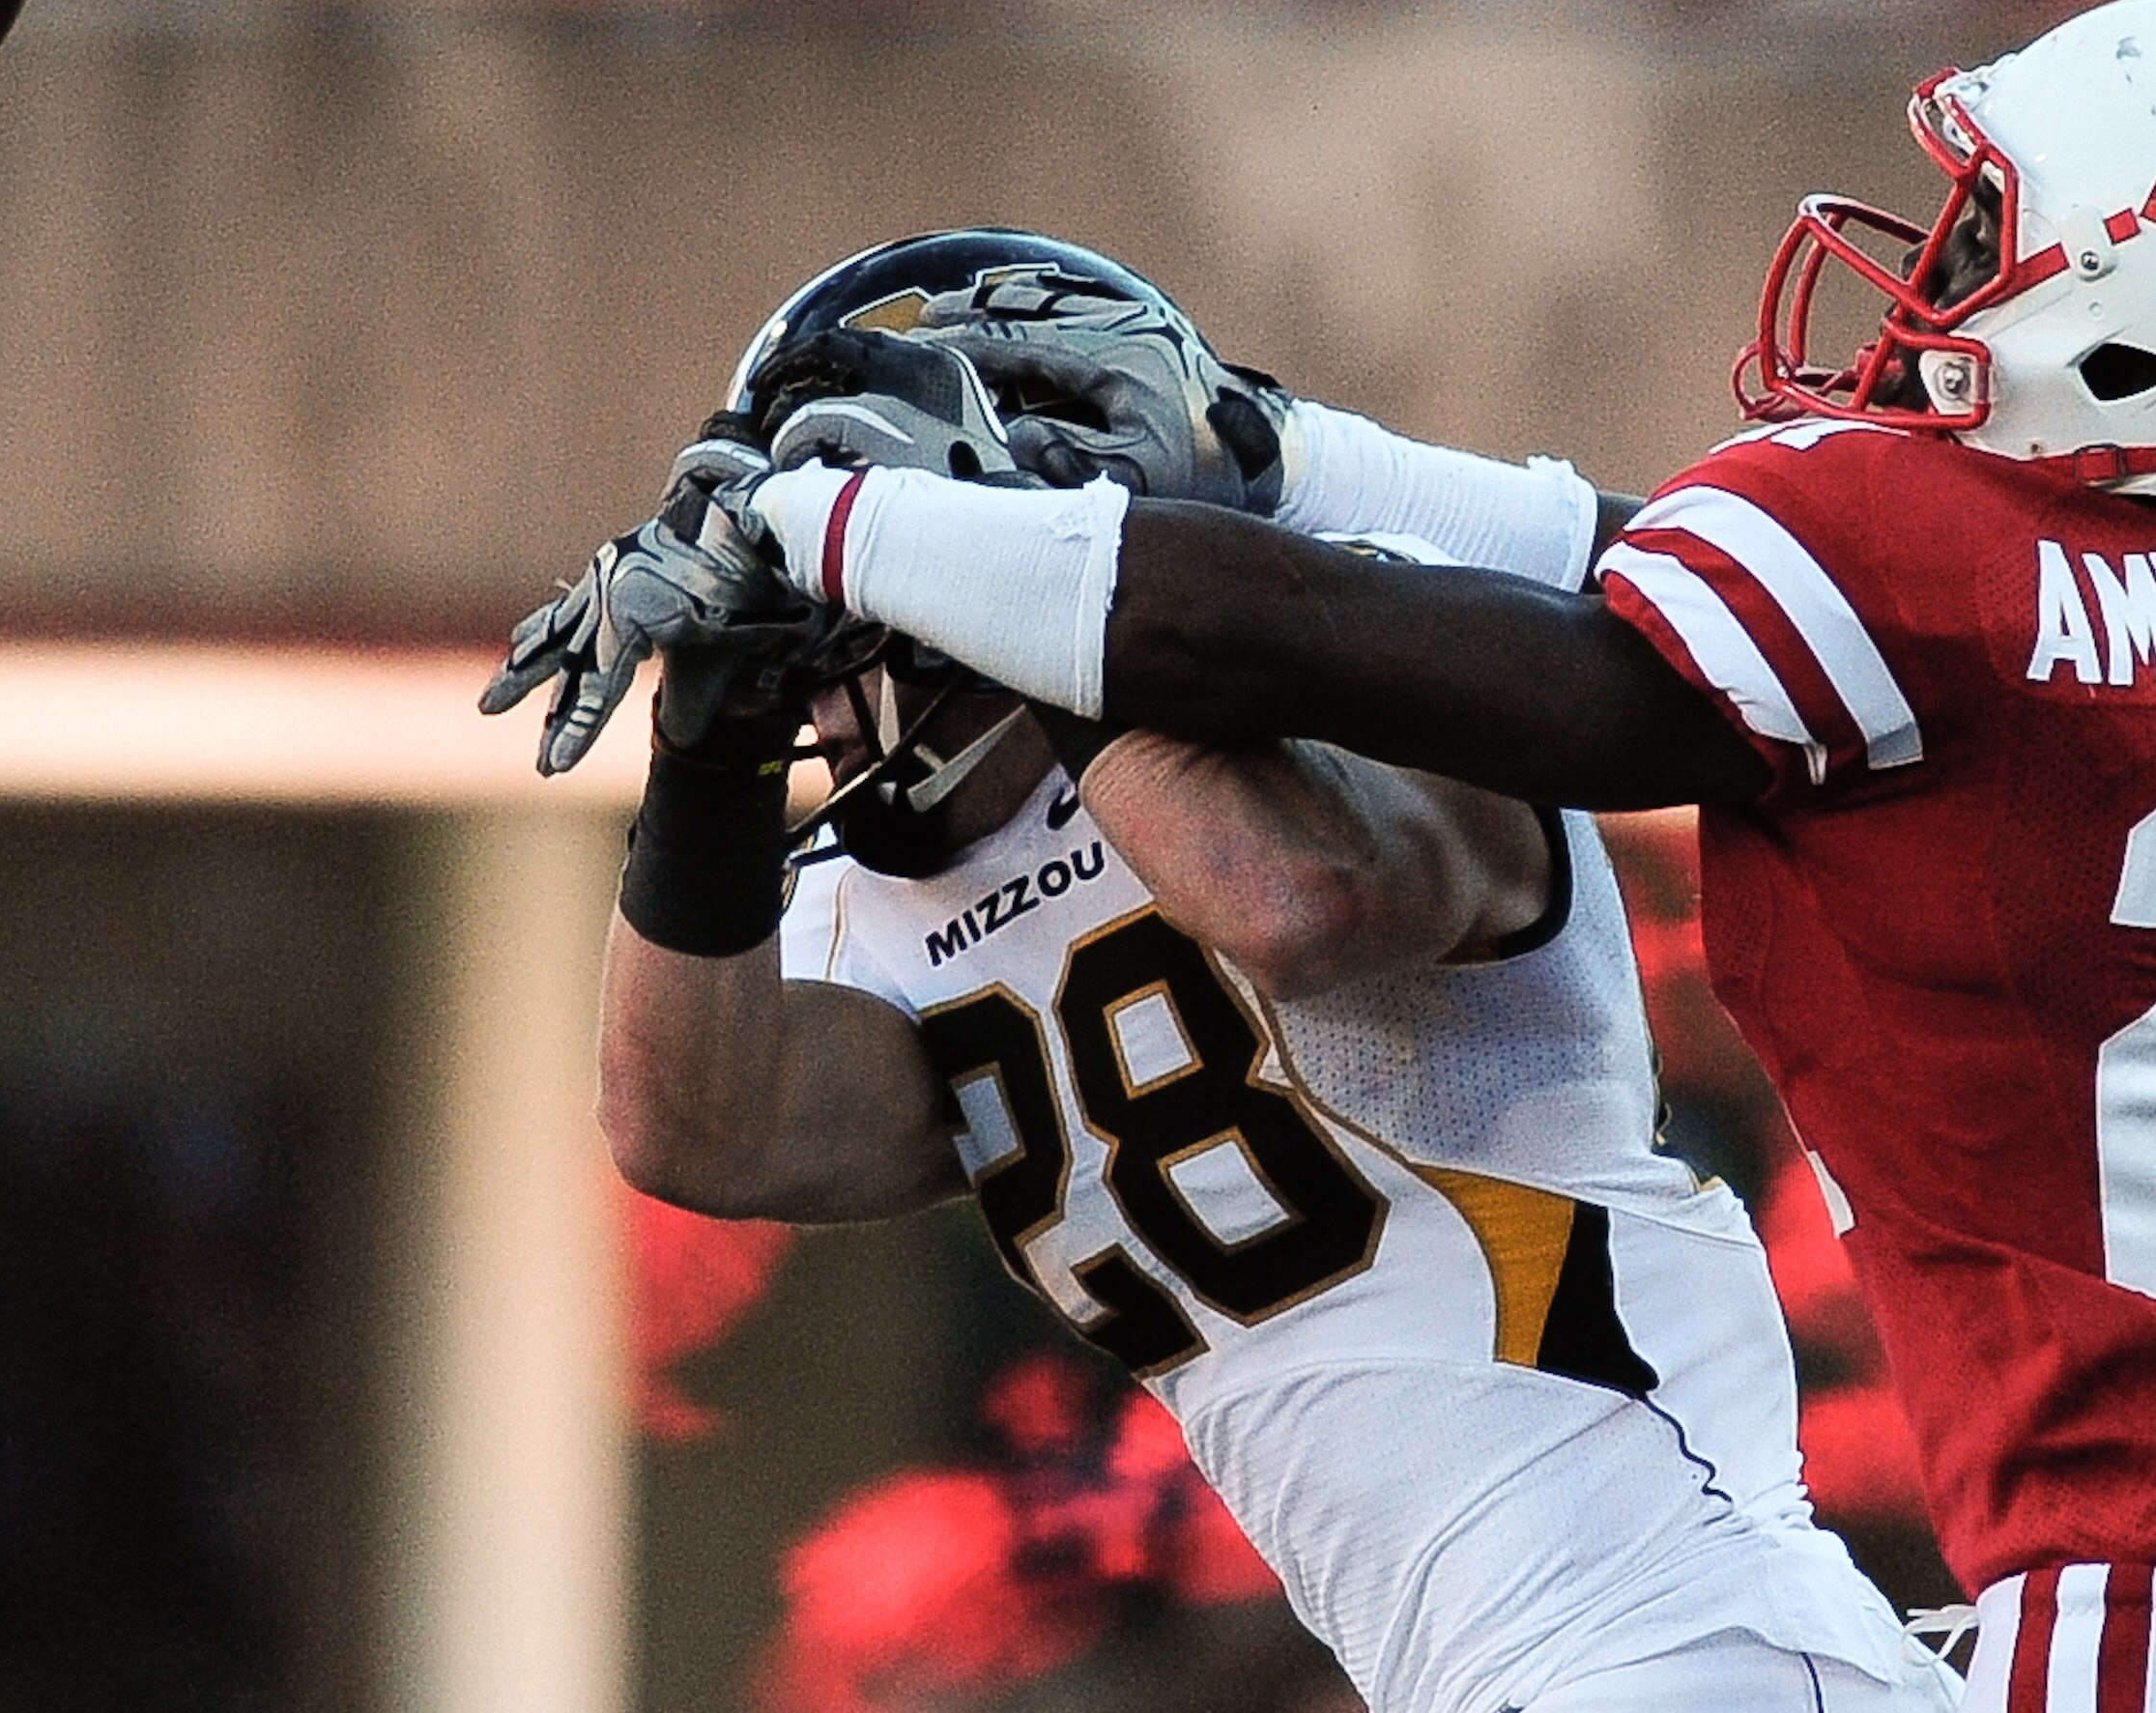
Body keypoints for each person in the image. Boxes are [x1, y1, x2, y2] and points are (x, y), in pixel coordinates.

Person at [639, 0, 2156, 1713]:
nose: (1933, 269)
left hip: (2140, 1613)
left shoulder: (1912, 565)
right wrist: (1217, 462)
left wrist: (861, 535)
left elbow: (1382, 737)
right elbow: (706, 1127)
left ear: (2153, 337)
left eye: (1993, 230)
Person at [486, 231, 1959, 1713]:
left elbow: (1298, 897)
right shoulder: (884, 899)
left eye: (834, 628)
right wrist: (704, 764)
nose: (820, 690)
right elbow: (695, 1128)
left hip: (1679, 1629)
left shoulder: (1357, 650)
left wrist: (1042, 619)